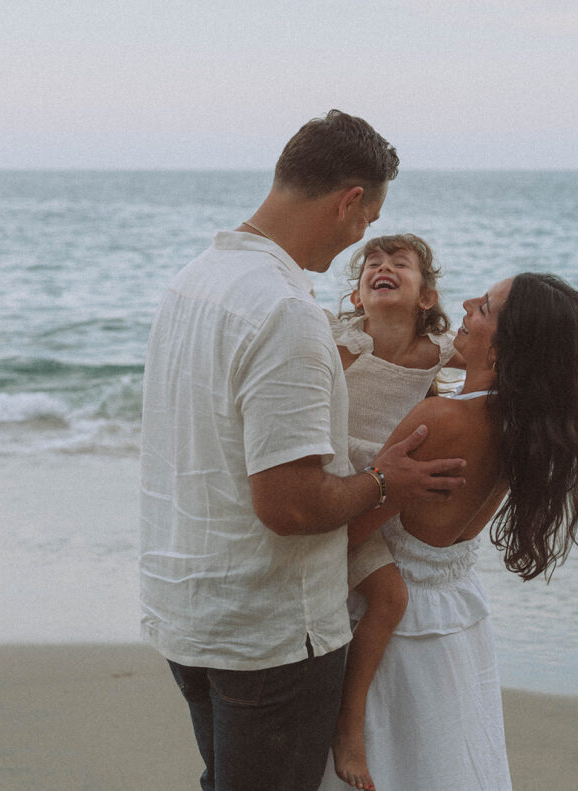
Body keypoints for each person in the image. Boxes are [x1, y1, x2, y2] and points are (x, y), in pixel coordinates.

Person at [139, 110, 466, 791]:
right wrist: (384, 481)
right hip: (268, 634)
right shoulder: (285, 311)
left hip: (189, 612)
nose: (364, 236)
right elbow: (288, 505)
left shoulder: (191, 281)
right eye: (367, 221)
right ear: (350, 201)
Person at [319, 272, 578, 791]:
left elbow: (350, 535)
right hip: (455, 615)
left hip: (395, 628)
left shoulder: (442, 418)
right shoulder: (523, 426)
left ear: (507, 346)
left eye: (483, 307)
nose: (465, 305)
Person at [325, 233, 464, 790]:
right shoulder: (343, 344)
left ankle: (348, 719)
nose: (382, 268)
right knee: (375, 591)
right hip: (338, 481)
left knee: (389, 596)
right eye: (371, 266)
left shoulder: (441, 352)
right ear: (357, 297)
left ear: (426, 296)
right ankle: (342, 718)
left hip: (386, 489)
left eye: (398, 264)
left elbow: (494, 370)